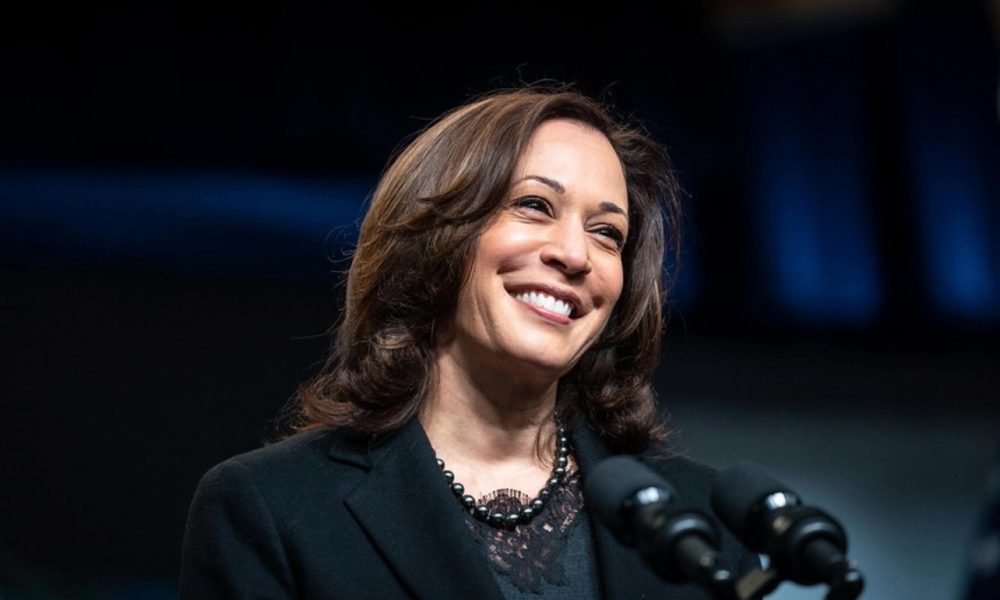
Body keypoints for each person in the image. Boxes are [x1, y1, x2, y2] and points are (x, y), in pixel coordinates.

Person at [179, 83, 759, 599]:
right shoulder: (270, 508)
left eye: (607, 233)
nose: (576, 255)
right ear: (438, 237)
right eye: (534, 206)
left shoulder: (702, 519)